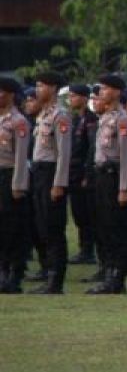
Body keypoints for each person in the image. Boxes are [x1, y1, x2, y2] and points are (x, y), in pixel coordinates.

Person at [19, 72, 72, 294]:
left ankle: (55, 280)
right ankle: (48, 274)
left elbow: (64, 154)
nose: (38, 89)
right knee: (42, 227)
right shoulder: (43, 116)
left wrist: (59, 183)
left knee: (53, 228)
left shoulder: (60, 116)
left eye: (41, 86)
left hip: (51, 174)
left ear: (52, 88)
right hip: (40, 173)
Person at [88, 74, 127, 295]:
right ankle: (108, 272)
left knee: (115, 227)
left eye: (106, 88)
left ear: (117, 92)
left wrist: (125, 187)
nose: (102, 92)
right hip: (101, 175)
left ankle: (116, 276)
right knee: (103, 226)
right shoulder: (105, 117)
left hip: (114, 176)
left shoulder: (122, 119)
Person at [0, 76, 32, 293]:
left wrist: (18, 184)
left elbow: (21, 157)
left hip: (10, 175)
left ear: (10, 94)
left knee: (12, 228)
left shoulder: (18, 121)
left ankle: (14, 273)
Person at [65, 83, 98, 267]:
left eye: (74, 96)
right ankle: (83, 248)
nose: (71, 99)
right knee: (78, 213)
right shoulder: (75, 119)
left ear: (84, 98)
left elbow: (91, 148)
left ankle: (88, 251)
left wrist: (87, 174)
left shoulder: (90, 120)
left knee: (86, 214)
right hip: (73, 171)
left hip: (82, 172)